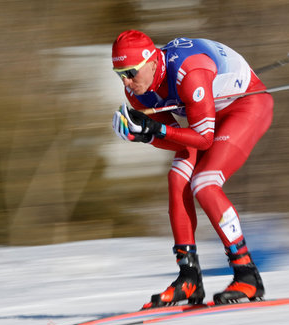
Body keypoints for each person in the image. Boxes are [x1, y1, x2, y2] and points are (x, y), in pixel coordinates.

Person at [110, 30, 273, 307]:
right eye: (119, 73)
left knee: (205, 183)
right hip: (205, 118)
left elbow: (204, 139)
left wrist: (155, 129)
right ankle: (189, 277)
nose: (126, 81)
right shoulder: (136, 90)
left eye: (131, 72)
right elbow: (172, 138)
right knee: (178, 178)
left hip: (243, 106)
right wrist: (146, 135)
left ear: (151, 61)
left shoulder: (190, 71)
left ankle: (247, 275)